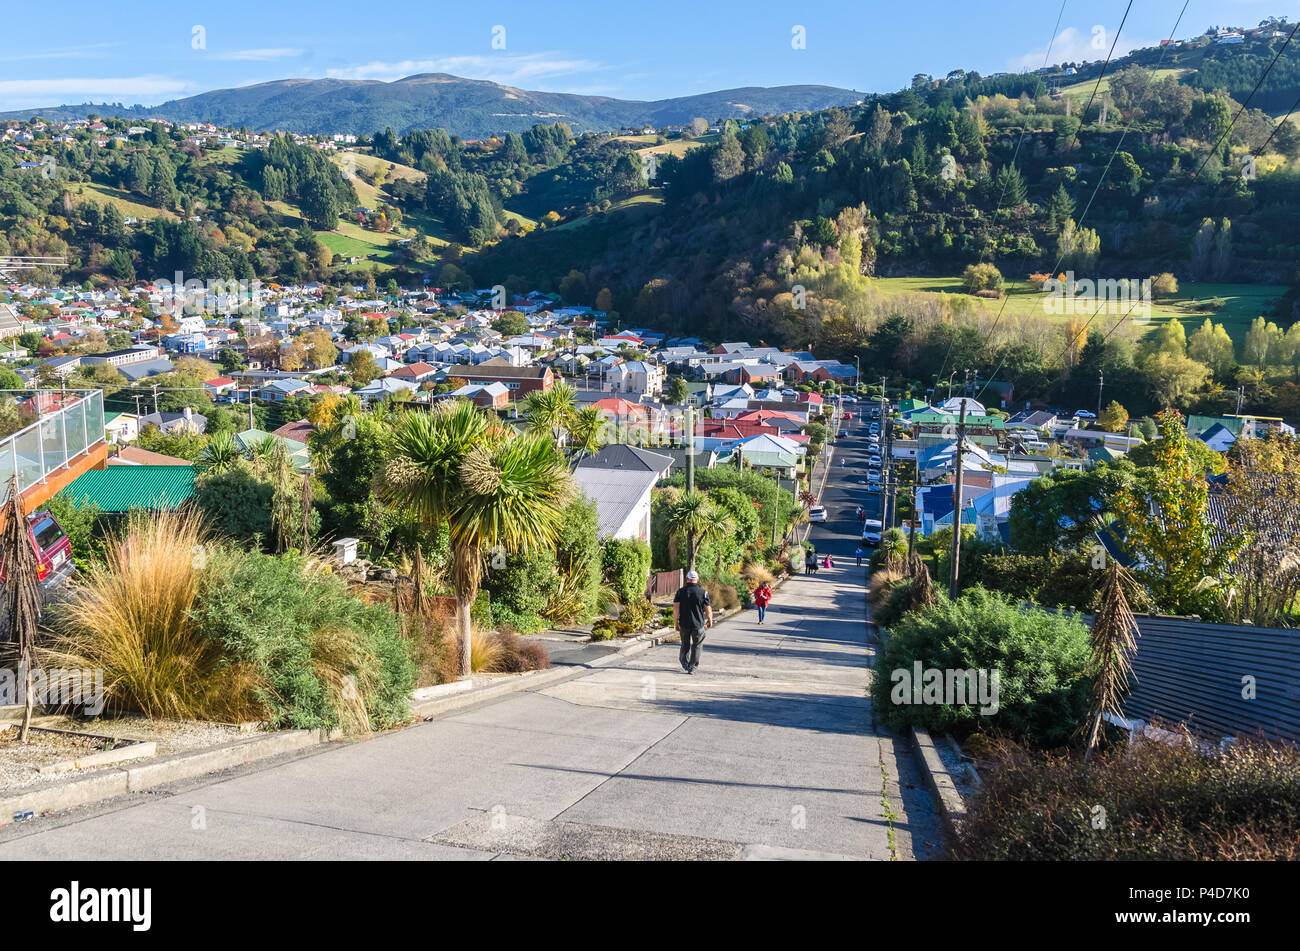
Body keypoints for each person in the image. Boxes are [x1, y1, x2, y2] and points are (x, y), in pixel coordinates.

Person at [672, 569, 713, 674]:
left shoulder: (680, 592)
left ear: (687, 579)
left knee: (685, 645)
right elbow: (708, 608)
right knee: (697, 645)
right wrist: (710, 620)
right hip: (698, 624)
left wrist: (676, 623)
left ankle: (685, 663)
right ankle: (693, 667)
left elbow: (676, 609)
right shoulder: (703, 593)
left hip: (684, 624)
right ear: (697, 579)